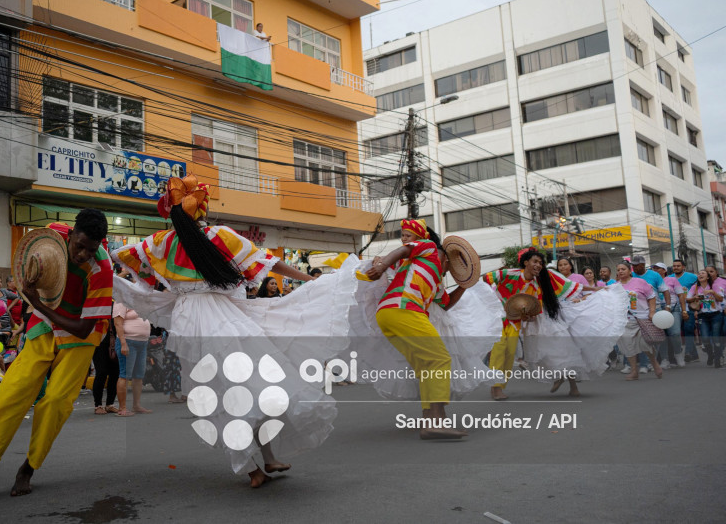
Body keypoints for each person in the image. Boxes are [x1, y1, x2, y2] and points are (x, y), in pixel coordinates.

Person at [111, 175, 351, 488]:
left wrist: (95, 258)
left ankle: (258, 463)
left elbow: (120, 256)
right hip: (221, 316)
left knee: (226, 395)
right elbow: (268, 263)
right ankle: (257, 462)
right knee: (258, 385)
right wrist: (308, 279)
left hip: (189, 323)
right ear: (201, 209)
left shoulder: (162, 243)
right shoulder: (218, 235)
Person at [0, 209, 112, 499]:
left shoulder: (102, 271)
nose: (83, 254)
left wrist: (36, 303)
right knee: (12, 391)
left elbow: (83, 329)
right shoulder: (51, 235)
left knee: (56, 401)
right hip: (44, 325)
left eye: (91, 250)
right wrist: (32, 290)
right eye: (79, 245)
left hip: (81, 335)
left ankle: (28, 468)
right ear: (70, 234)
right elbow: (29, 268)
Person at [365, 219, 467, 439]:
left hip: (391, 313)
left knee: (427, 367)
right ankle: (436, 422)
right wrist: (382, 264)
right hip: (402, 308)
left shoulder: (433, 278)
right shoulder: (429, 248)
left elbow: (445, 303)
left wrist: (465, 285)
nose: (445, 264)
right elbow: (403, 250)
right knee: (440, 359)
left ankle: (431, 421)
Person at [483, 248, 600, 400]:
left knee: (510, 355)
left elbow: (531, 310)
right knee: (499, 351)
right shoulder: (509, 273)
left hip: (515, 322)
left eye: (540, 263)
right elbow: (487, 278)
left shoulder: (536, 287)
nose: (538, 265)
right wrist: (493, 299)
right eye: (535, 262)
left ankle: (499, 386)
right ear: (525, 262)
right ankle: (496, 388)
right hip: (498, 318)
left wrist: (526, 316)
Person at [615, 261, 663, 380]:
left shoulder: (639, 282)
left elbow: (651, 296)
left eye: (623, 269)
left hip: (642, 318)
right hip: (625, 321)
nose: (620, 271)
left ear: (629, 270)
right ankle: (634, 371)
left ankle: (654, 363)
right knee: (628, 345)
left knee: (645, 344)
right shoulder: (615, 286)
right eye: (618, 270)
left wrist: (652, 312)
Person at [113, 300, 152, 416]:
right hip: (128, 341)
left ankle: (136, 405)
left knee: (138, 376)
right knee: (125, 375)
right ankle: (122, 408)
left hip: (142, 342)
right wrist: (123, 343)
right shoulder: (121, 300)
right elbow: (118, 323)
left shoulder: (140, 300)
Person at [688, 269, 724, 368]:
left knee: (716, 338)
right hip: (702, 315)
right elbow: (687, 299)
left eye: (703, 273)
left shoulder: (714, 286)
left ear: (708, 277)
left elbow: (721, 298)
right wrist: (695, 298)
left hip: (716, 314)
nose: (700, 275)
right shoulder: (695, 287)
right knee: (705, 338)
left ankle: (717, 359)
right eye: (699, 273)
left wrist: (712, 292)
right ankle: (710, 354)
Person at [653, 263, 687, 368]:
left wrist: (684, 310)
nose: (655, 270)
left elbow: (680, 295)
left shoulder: (672, 280)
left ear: (664, 270)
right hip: (658, 309)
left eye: (658, 268)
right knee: (661, 335)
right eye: (654, 268)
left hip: (673, 308)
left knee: (675, 333)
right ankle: (664, 359)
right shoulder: (651, 281)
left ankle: (678, 354)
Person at [92, 306, 119, 415]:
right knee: (101, 372)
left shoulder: (115, 303)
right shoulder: (98, 303)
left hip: (114, 342)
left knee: (115, 373)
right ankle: (97, 405)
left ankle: (110, 404)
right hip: (99, 342)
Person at [672, 259, 699, 362]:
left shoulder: (692, 277)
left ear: (683, 267)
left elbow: (699, 288)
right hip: (675, 309)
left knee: (688, 329)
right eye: (674, 266)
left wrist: (696, 305)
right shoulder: (670, 278)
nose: (676, 268)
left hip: (689, 308)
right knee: (679, 331)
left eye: (678, 266)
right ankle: (694, 354)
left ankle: (688, 352)